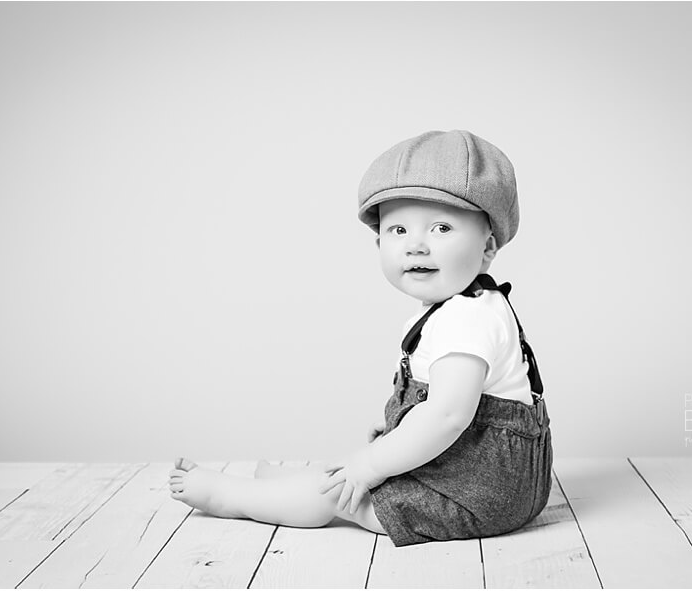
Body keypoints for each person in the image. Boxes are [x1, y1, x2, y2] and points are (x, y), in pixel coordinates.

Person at [169, 130, 553, 547]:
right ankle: (300, 480)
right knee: (349, 472)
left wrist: (371, 464)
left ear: (488, 247)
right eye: (398, 230)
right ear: (378, 242)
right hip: (487, 480)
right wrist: (401, 427)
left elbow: (447, 416)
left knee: (343, 496)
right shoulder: (468, 306)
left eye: (442, 228)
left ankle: (232, 496)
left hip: (476, 492)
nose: (417, 246)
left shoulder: (466, 318)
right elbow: (446, 406)